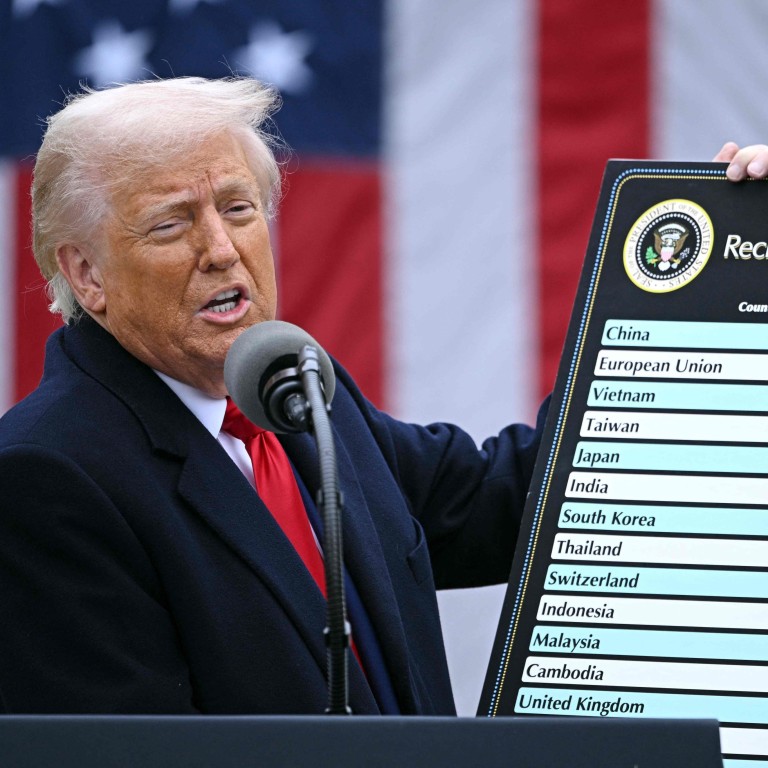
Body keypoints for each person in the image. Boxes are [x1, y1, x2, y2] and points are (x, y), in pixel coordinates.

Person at [0, 77, 764, 716]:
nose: (222, 249)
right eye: (171, 224)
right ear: (87, 274)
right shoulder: (46, 477)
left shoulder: (299, 394)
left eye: (238, 209)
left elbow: (520, 496)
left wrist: (714, 296)